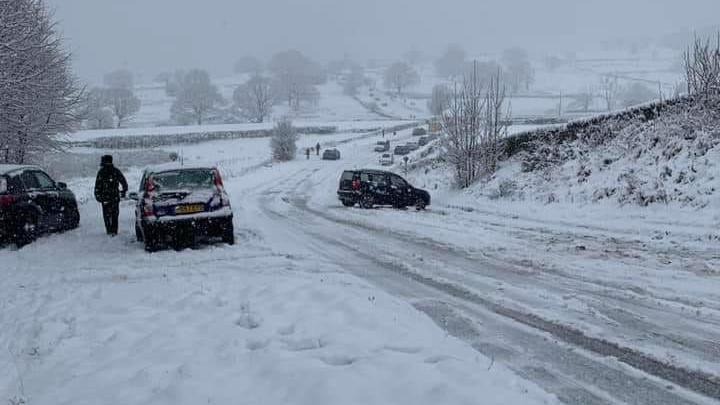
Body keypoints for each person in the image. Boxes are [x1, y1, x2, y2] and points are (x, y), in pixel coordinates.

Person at [94, 155, 128, 236]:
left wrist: (98, 196)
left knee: (106, 215)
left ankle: (109, 230)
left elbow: (97, 186)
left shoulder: (101, 172)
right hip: (114, 196)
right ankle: (114, 231)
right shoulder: (116, 171)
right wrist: (123, 191)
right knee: (115, 215)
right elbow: (124, 182)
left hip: (105, 197)